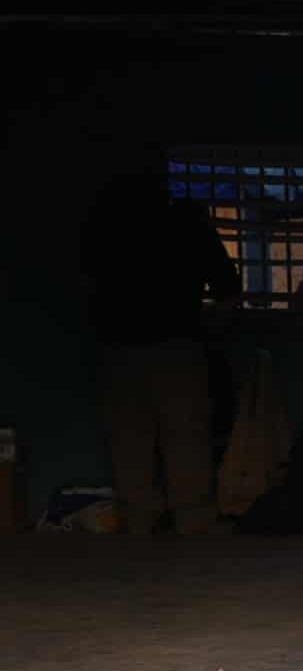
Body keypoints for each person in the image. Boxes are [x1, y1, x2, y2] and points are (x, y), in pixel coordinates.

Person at [83, 168, 241, 536]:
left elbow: (86, 287)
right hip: (178, 349)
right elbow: (229, 291)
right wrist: (205, 330)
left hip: (120, 349)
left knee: (129, 444)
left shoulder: (105, 227)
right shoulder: (187, 225)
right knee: (186, 441)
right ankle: (193, 525)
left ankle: (140, 524)